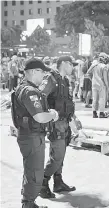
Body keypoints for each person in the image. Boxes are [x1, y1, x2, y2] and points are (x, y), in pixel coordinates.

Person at [11, 58, 59, 208]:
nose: (44, 75)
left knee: (30, 171)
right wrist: (53, 115)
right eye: (41, 71)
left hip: (30, 136)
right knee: (35, 173)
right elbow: (39, 117)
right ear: (32, 72)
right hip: (31, 137)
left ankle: (29, 204)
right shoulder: (30, 91)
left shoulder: (25, 89)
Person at [39, 55, 77, 199]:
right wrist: (48, 116)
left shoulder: (64, 80)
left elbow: (67, 102)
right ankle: (43, 183)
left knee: (60, 155)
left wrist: (73, 118)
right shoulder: (51, 79)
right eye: (71, 65)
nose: (72, 68)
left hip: (65, 122)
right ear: (64, 64)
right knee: (57, 156)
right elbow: (40, 96)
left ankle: (58, 182)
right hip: (56, 123)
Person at [87, 53, 109, 118]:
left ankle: (94, 113)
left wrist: (92, 79)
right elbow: (105, 78)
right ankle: (101, 113)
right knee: (102, 98)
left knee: (94, 98)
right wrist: (107, 86)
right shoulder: (104, 66)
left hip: (94, 83)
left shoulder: (94, 65)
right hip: (101, 84)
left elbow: (88, 73)